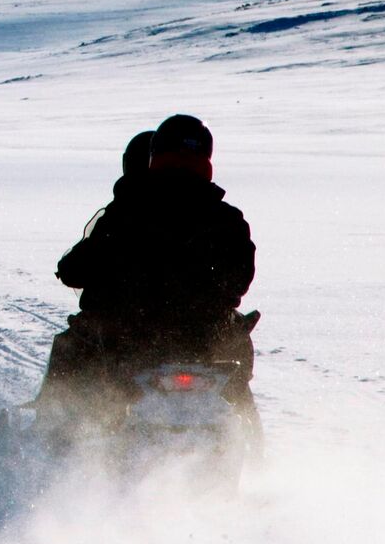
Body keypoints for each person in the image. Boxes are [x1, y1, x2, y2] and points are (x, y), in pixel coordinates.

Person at [37, 115, 257, 417]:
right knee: (237, 344)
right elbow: (240, 279)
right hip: (202, 342)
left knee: (72, 344)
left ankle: (55, 427)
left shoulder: (127, 212)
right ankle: (247, 431)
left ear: (157, 155)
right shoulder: (229, 219)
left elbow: (80, 267)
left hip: (132, 338)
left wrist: (77, 269)